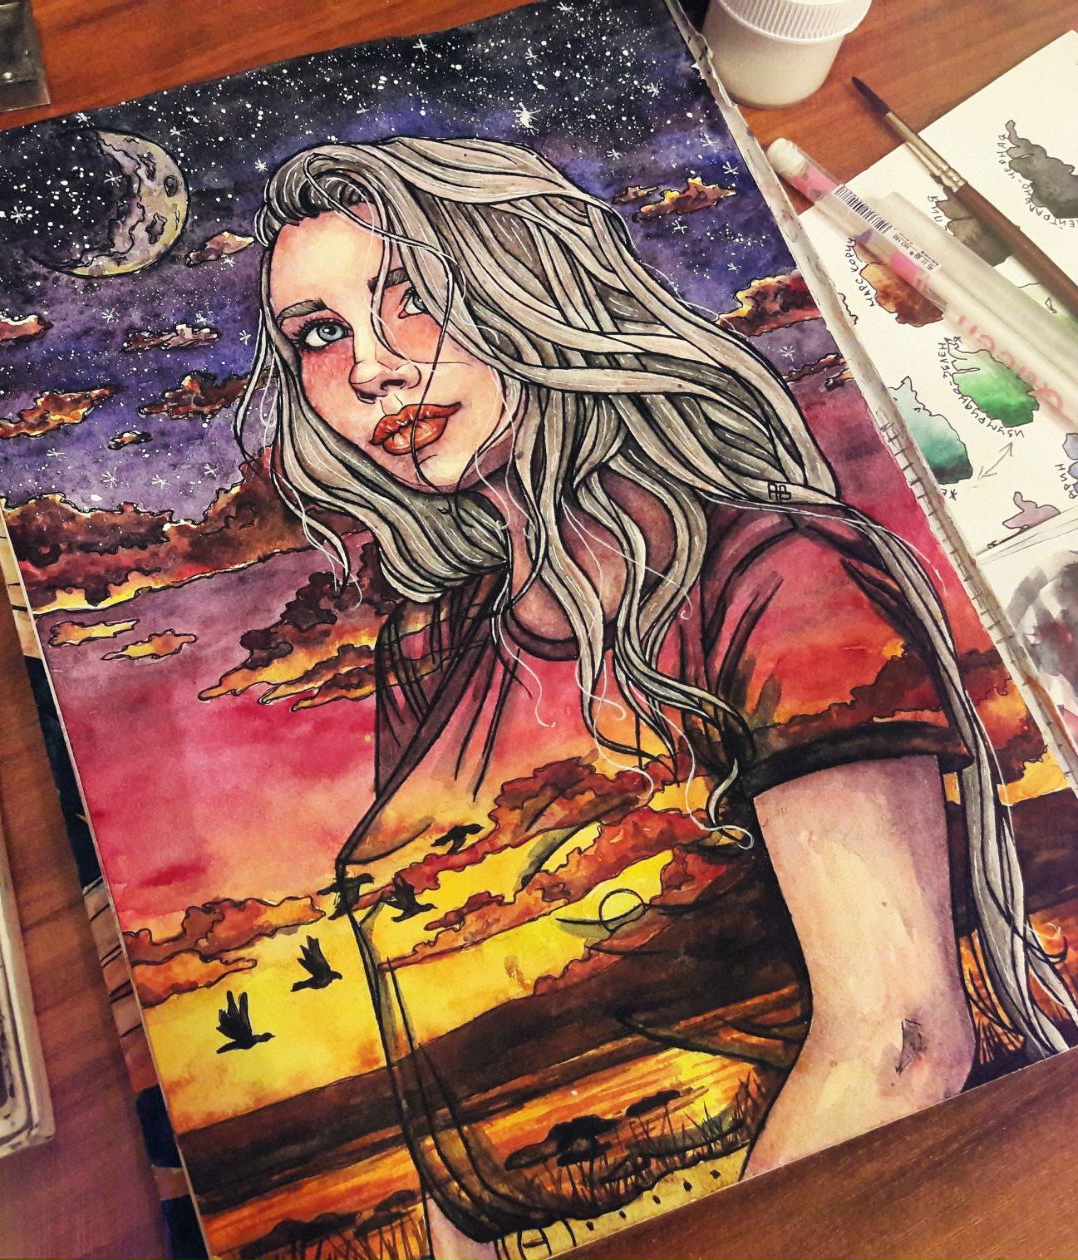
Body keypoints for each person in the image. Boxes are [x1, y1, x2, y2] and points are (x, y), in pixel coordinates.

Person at [238, 135, 1074, 1253]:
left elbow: (900, 1045)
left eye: (416, 295)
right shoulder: (431, 649)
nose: (373, 368)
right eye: (320, 333)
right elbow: (453, 1139)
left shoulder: (776, 576)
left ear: (532, 284)